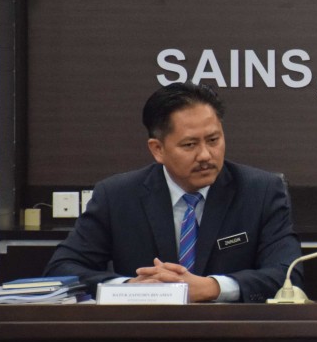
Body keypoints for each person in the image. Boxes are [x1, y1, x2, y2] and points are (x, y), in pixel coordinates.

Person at [44, 83, 302, 302]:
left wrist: (212, 287)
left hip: (235, 335)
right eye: (190, 144)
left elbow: (288, 274)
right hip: (143, 334)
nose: (205, 155)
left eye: (213, 140)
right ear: (157, 149)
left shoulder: (261, 191)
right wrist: (131, 288)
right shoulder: (117, 196)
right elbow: (61, 270)